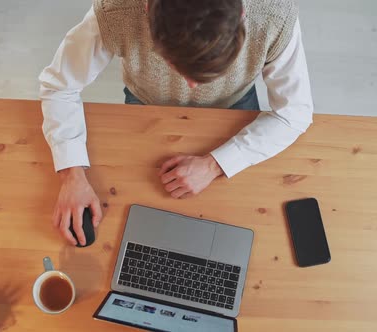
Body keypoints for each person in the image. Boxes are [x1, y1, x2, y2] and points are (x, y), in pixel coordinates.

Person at [39, 0, 314, 246]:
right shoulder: (116, 10)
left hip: (235, 105)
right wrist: (72, 173)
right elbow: (60, 87)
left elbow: (294, 113)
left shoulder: (275, 13)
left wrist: (215, 164)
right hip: (146, 102)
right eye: (173, 64)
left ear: (242, 13)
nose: (192, 85)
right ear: (147, 8)